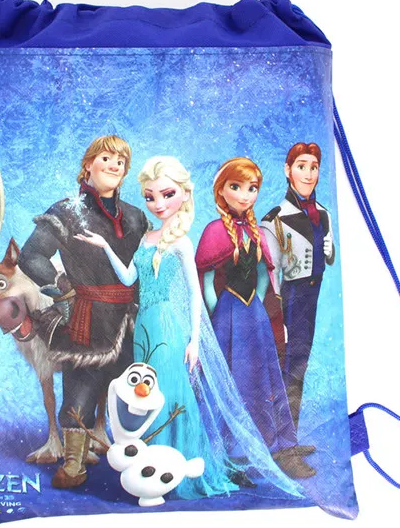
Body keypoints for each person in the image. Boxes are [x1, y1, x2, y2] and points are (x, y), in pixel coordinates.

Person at [76, 156, 303, 501]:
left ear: (183, 194)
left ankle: (176, 466)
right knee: (147, 391)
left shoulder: (181, 242)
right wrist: (106, 246)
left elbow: (196, 294)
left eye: (167, 194)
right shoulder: (146, 238)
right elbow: (128, 278)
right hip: (145, 326)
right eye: (150, 197)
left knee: (169, 391)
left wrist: (195, 339)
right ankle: (150, 464)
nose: (158, 204)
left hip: (168, 326)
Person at [18, 135, 149, 489]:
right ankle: (74, 464)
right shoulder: (65, 212)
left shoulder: (136, 217)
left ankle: (137, 461)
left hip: (131, 319)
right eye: (106, 158)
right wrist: (63, 289)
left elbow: (147, 265)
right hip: (86, 316)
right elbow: (31, 256)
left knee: (135, 390)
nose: (114, 165)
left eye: (121, 161)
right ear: (88, 164)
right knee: (80, 391)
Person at [195, 157, 315, 479]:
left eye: (252, 189)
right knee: (230, 376)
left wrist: (258, 306)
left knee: (261, 377)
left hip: (254, 314)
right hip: (227, 313)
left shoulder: (254, 231)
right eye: (236, 187)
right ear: (221, 190)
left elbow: (263, 273)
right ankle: (230, 450)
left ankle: (267, 440)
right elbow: (207, 279)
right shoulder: (214, 231)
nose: (245, 195)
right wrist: (218, 312)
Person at [259, 143, 335, 431]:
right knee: (285, 364)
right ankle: (277, 434)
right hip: (290, 297)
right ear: (288, 170)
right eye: (301, 166)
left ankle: (289, 433)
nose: (309, 174)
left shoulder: (323, 213)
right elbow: (270, 274)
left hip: (313, 295)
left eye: (314, 167)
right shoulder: (275, 219)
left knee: (300, 363)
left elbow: (330, 256)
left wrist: (329, 250)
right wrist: (277, 315)